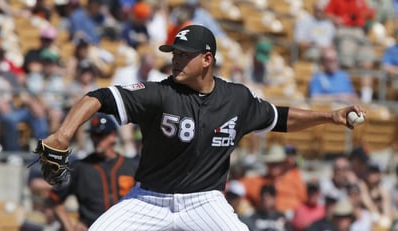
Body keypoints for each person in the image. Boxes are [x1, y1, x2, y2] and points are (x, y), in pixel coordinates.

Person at [37, 25, 365, 230]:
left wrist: (329, 116)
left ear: (207, 59)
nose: (175, 59)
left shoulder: (236, 99)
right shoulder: (158, 94)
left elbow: (280, 118)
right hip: (147, 200)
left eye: (184, 54)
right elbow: (98, 97)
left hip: (204, 202)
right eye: (174, 53)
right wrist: (63, 134)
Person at [47, 113, 138, 230]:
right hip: (91, 226)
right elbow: (54, 200)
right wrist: (69, 227)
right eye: (94, 135)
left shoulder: (131, 166)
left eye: (101, 135)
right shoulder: (79, 167)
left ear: (114, 136)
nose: (97, 139)